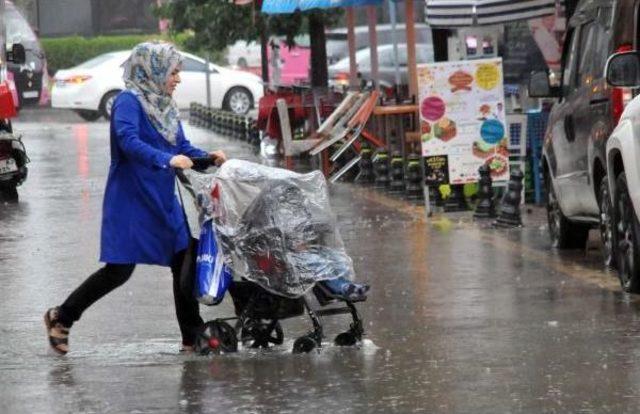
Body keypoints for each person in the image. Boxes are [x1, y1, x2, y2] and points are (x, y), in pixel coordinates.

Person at [44, 41, 226, 355]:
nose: (177, 79)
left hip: (162, 199)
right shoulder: (128, 102)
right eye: (173, 72)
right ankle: (61, 316)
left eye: (178, 72)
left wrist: (208, 158)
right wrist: (166, 160)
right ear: (152, 70)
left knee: (183, 259)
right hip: (130, 199)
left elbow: (181, 146)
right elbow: (128, 141)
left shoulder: (166, 105)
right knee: (119, 270)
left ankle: (191, 335)